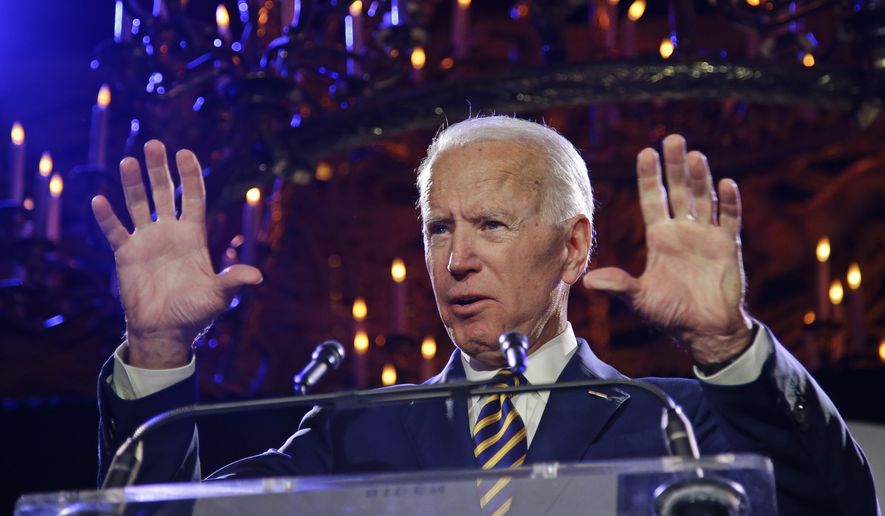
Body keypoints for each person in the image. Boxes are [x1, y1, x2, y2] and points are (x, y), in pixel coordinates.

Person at [93, 116, 879, 515]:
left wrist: (726, 344)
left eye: (491, 225)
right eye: (440, 229)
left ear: (573, 249)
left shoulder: (679, 419)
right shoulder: (355, 430)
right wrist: (157, 351)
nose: (457, 259)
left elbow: (837, 509)